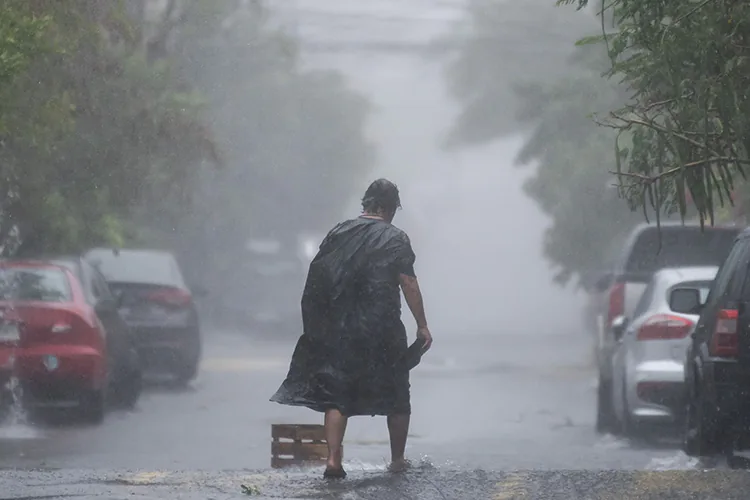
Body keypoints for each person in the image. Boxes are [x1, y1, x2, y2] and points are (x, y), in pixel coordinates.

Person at [269, 178, 432, 479]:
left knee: (338, 394)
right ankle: (397, 461)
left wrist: (317, 326)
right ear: (388, 207)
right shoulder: (396, 238)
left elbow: (316, 279)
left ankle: (333, 460)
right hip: (383, 329)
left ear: (367, 204)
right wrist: (422, 325)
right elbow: (408, 283)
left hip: (342, 329)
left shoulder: (338, 233)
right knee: (397, 393)